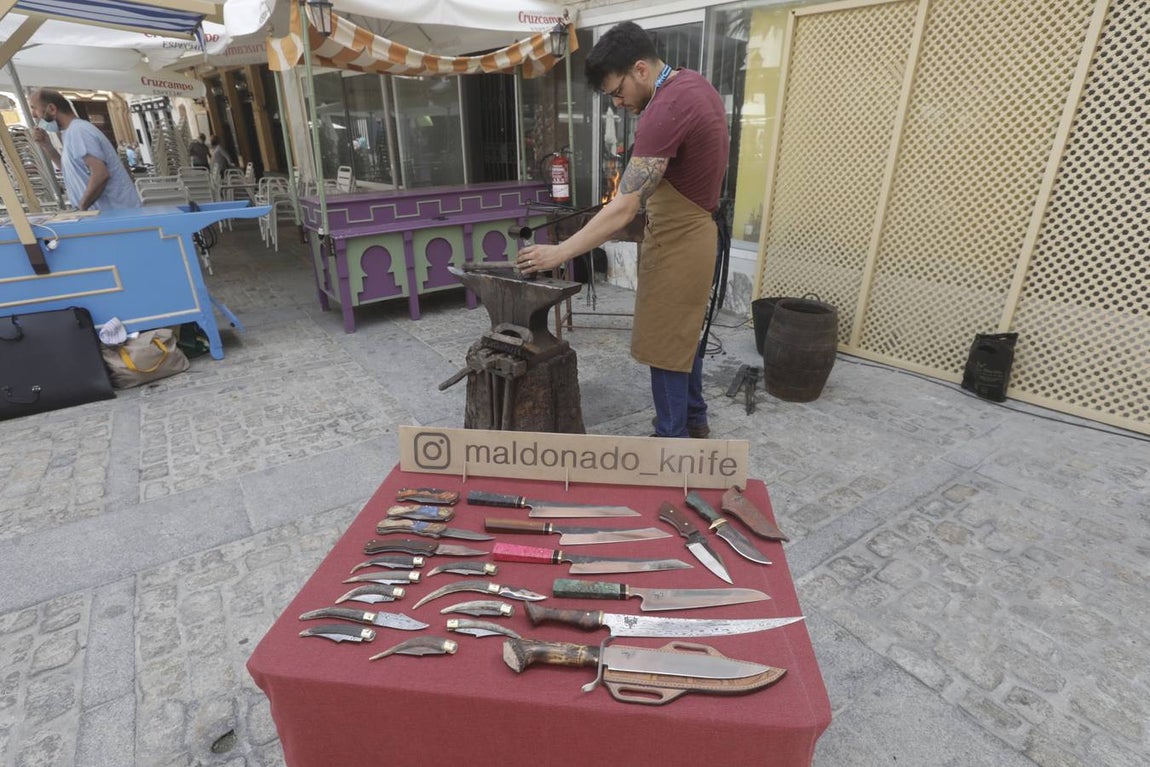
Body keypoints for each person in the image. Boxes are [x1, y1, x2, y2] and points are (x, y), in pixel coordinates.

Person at [517, 22, 729, 439]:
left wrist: (559, 254)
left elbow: (624, 207)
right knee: (686, 334)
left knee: (665, 345)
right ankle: (694, 419)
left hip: (681, 242)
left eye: (618, 92)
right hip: (699, 233)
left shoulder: (665, 108)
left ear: (641, 70)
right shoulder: (694, 83)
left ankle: (672, 442)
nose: (617, 103)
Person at [29, 88, 141, 211]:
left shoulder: (79, 131)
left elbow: (100, 174)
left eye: (34, 108)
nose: (34, 114)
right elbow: (72, 171)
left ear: (52, 109)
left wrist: (81, 208)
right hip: (107, 215)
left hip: (115, 214)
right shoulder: (70, 132)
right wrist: (48, 146)